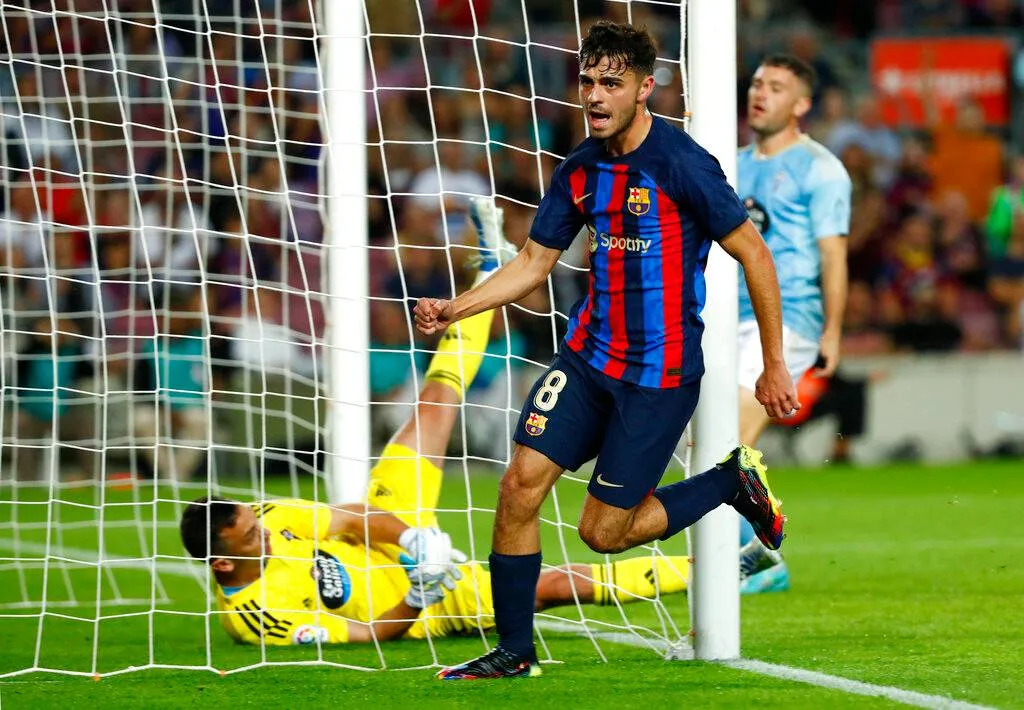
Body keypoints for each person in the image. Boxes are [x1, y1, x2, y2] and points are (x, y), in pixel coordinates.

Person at [178, 201, 773, 647]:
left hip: (397, 538)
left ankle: (486, 272)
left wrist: (410, 539)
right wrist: (420, 589)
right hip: (430, 602)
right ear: (223, 563)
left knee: (432, 408)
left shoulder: (266, 518)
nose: (261, 529)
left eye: (253, 521)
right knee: (555, 583)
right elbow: (366, 635)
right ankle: (719, 567)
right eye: (250, 537)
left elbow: (348, 519)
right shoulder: (257, 617)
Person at [413, 23, 799, 680]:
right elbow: (535, 261)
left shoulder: (682, 165)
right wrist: (457, 307)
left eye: (610, 83)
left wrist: (774, 363)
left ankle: (729, 481)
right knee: (516, 487)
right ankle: (514, 652)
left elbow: (754, 255)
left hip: (657, 376)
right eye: (588, 80)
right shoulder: (581, 169)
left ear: (646, 89)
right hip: (588, 361)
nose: (594, 95)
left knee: (604, 533)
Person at [736, 54, 852, 592]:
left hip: (789, 321)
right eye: (758, 83)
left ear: (801, 104)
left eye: (777, 87)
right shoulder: (730, 162)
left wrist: (831, 331)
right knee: (710, 448)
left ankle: (758, 557)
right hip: (722, 317)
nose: (761, 94)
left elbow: (833, 254)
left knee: (729, 439)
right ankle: (760, 556)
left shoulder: (821, 168)